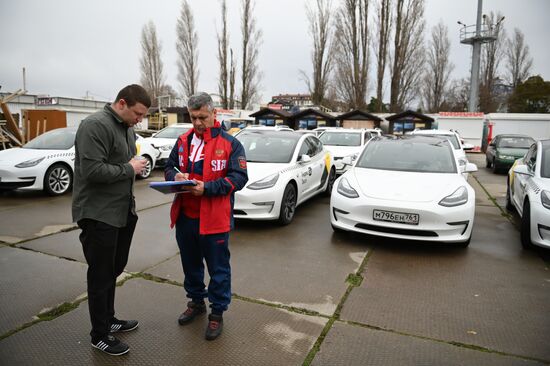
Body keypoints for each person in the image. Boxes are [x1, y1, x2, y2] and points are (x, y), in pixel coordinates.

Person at [72, 84, 151, 356]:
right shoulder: (94, 126)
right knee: (101, 274)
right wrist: (129, 168)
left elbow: (122, 161)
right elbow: (92, 170)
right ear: (121, 103)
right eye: (137, 113)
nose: (140, 120)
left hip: (121, 212)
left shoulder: (126, 128)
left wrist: (131, 165)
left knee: (115, 268)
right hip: (98, 214)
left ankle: (109, 319)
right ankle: (99, 335)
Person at [165, 92, 248, 340]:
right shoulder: (182, 141)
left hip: (215, 220)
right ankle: (196, 302)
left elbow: (239, 178)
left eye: (202, 117)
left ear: (214, 114)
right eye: (193, 117)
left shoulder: (231, 144)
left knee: (218, 270)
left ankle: (217, 314)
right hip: (186, 218)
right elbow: (169, 167)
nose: (198, 123)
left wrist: (208, 188)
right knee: (190, 265)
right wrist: (174, 178)